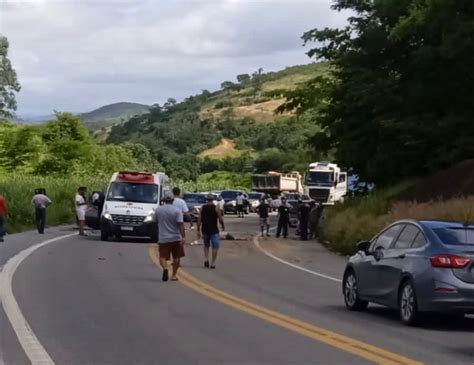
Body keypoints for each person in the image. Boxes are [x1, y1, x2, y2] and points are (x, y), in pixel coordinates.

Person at [155, 191, 186, 281]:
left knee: (162, 257)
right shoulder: (177, 211)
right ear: (173, 200)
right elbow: (180, 224)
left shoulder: (159, 210)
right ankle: (174, 275)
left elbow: (155, 221)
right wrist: (183, 236)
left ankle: (165, 268)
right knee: (177, 257)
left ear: (164, 200)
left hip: (163, 238)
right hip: (175, 238)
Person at [197, 193, 225, 269]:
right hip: (214, 230)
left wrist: (198, 230)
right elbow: (220, 218)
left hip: (205, 229)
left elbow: (199, 219)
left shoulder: (203, 208)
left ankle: (206, 259)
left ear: (207, 199)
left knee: (206, 245)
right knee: (215, 247)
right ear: (213, 200)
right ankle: (213, 263)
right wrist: (222, 225)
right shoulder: (216, 208)